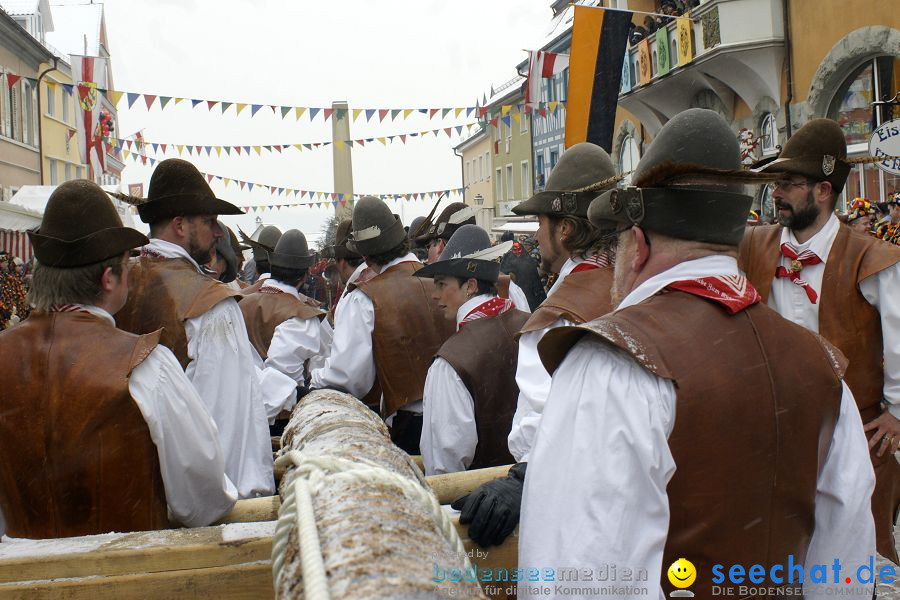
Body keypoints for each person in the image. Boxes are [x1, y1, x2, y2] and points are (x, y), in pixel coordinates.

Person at [521, 109, 875, 599]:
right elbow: (846, 568)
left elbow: (577, 578)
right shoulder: (823, 367)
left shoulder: (612, 361)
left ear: (637, 244)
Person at [0, 180, 236, 538]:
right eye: (127, 263)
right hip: (128, 580)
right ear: (109, 278)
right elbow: (204, 498)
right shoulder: (145, 366)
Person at [741, 118, 900, 563]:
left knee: (864, 553)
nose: (777, 193)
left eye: (788, 184)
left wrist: (898, 413)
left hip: (856, 434)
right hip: (779, 429)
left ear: (823, 191)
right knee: (786, 550)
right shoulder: (756, 244)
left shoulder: (872, 257)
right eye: (776, 183)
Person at [452, 142, 620, 548]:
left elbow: (546, 427)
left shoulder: (558, 315)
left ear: (564, 228)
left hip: (573, 516)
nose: (538, 235)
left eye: (541, 222)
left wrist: (524, 480)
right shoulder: (634, 288)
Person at [115, 158, 286, 499]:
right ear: (179, 225)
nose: (219, 231)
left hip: (129, 493)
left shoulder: (115, 287)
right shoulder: (212, 305)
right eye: (209, 221)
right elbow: (229, 428)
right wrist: (246, 504)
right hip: (198, 507)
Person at [310, 196, 453, 453]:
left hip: (409, 428)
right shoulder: (445, 281)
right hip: (456, 416)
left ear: (364, 255)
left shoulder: (364, 297)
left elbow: (350, 378)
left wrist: (316, 377)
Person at [415, 225, 528, 476]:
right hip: (536, 490)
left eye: (442, 284)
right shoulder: (532, 327)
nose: (435, 295)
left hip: (475, 504)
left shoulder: (450, 363)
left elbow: (445, 465)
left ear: (471, 286)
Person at [239, 229, 324, 394]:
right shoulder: (303, 315)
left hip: (243, 405)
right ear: (305, 276)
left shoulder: (239, 303)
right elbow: (284, 378)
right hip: (284, 411)